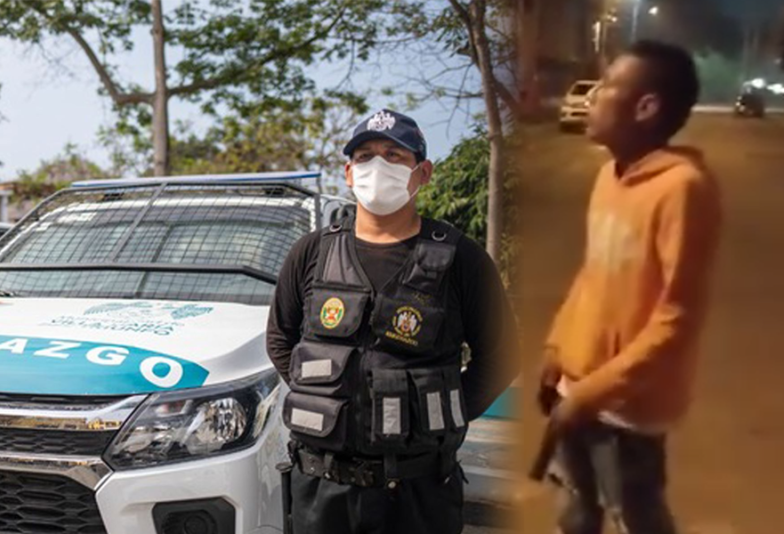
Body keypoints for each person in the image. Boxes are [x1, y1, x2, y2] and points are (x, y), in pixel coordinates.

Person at [266, 108, 516, 534]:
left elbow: (501, 356)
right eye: (364, 156)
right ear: (349, 173)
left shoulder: (461, 259)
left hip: (420, 491)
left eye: (394, 155)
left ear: (423, 173)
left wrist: (437, 417)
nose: (377, 166)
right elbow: (280, 338)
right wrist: (327, 399)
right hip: (322, 487)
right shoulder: (311, 252)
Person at [539, 40, 722, 534]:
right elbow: (593, 274)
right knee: (576, 508)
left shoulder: (683, 189)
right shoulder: (608, 177)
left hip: (627, 410)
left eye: (607, 86)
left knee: (636, 516)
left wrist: (594, 393)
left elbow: (677, 319)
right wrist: (557, 348)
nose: (592, 97)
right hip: (577, 391)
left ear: (646, 107)